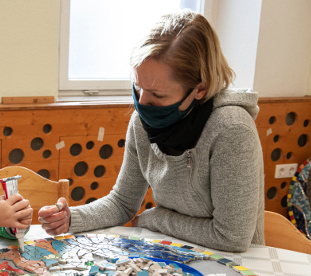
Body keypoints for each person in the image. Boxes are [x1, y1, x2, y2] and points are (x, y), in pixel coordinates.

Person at [38, 10, 264, 252]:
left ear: (200, 88)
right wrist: (71, 218)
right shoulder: (141, 123)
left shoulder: (232, 129)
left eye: (157, 94)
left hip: (233, 262)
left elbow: (232, 237)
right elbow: (123, 203)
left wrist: (154, 219)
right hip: (173, 254)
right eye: (137, 87)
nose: (142, 102)